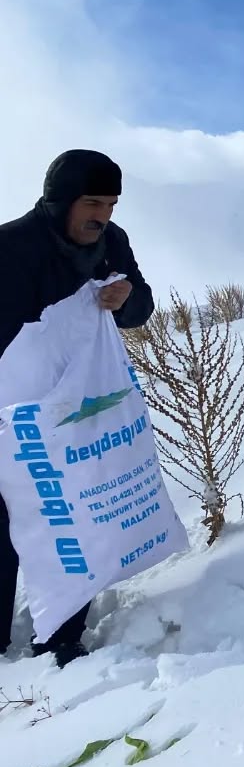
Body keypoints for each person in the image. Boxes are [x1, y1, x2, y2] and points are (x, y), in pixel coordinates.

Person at [0, 149, 154, 667]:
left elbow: (140, 308)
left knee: (77, 512)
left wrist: (126, 297)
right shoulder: (9, 247)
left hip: (76, 409)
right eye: (93, 202)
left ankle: (61, 639)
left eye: (111, 203)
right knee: (4, 520)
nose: (103, 215)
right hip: (10, 415)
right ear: (60, 200)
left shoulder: (112, 244)